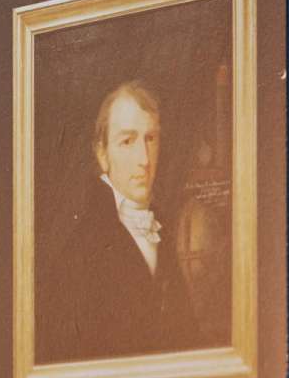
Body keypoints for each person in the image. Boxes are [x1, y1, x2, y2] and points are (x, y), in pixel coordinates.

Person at [38, 80, 199, 363]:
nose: (144, 159)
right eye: (127, 141)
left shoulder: (164, 227)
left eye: (150, 139)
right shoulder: (82, 247)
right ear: (102, 154)